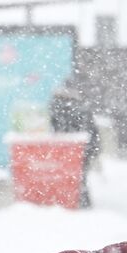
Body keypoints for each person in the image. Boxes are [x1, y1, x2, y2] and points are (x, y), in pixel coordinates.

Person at [50, 79, 99, 208]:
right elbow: (92, 130)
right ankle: (81, 202)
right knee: (80, 177)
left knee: (72, 177)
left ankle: (69, 201)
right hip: (81, 147)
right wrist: (94, 148)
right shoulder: (80, 106)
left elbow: (56, 127)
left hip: (69, 148)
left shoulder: (58, 105)